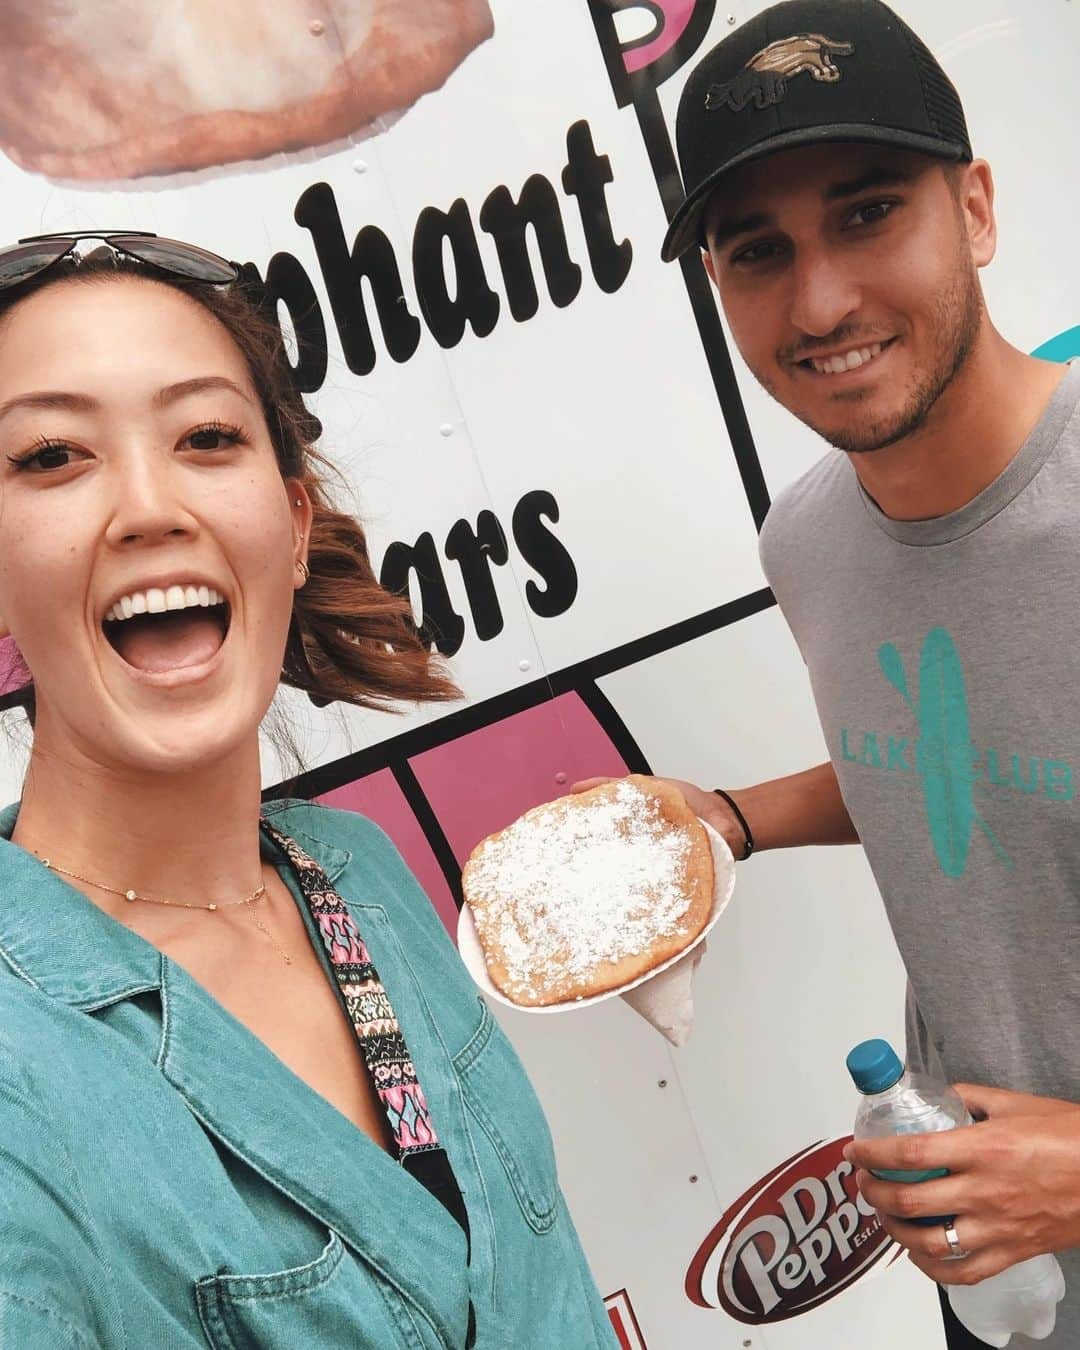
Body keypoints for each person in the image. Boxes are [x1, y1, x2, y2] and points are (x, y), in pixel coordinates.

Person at [0, 232, 617, 1349]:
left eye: (207, 437)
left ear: (289, 530)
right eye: (51, 456)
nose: (148, 507)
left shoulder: (357, 872)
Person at [577, 1, 1080, 1346]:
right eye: (759, 251)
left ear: (975, 209)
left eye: (867, 214)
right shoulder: (808, 538)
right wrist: (730, 819)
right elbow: (949, 756)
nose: (821, 301)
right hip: (1004, 1281)